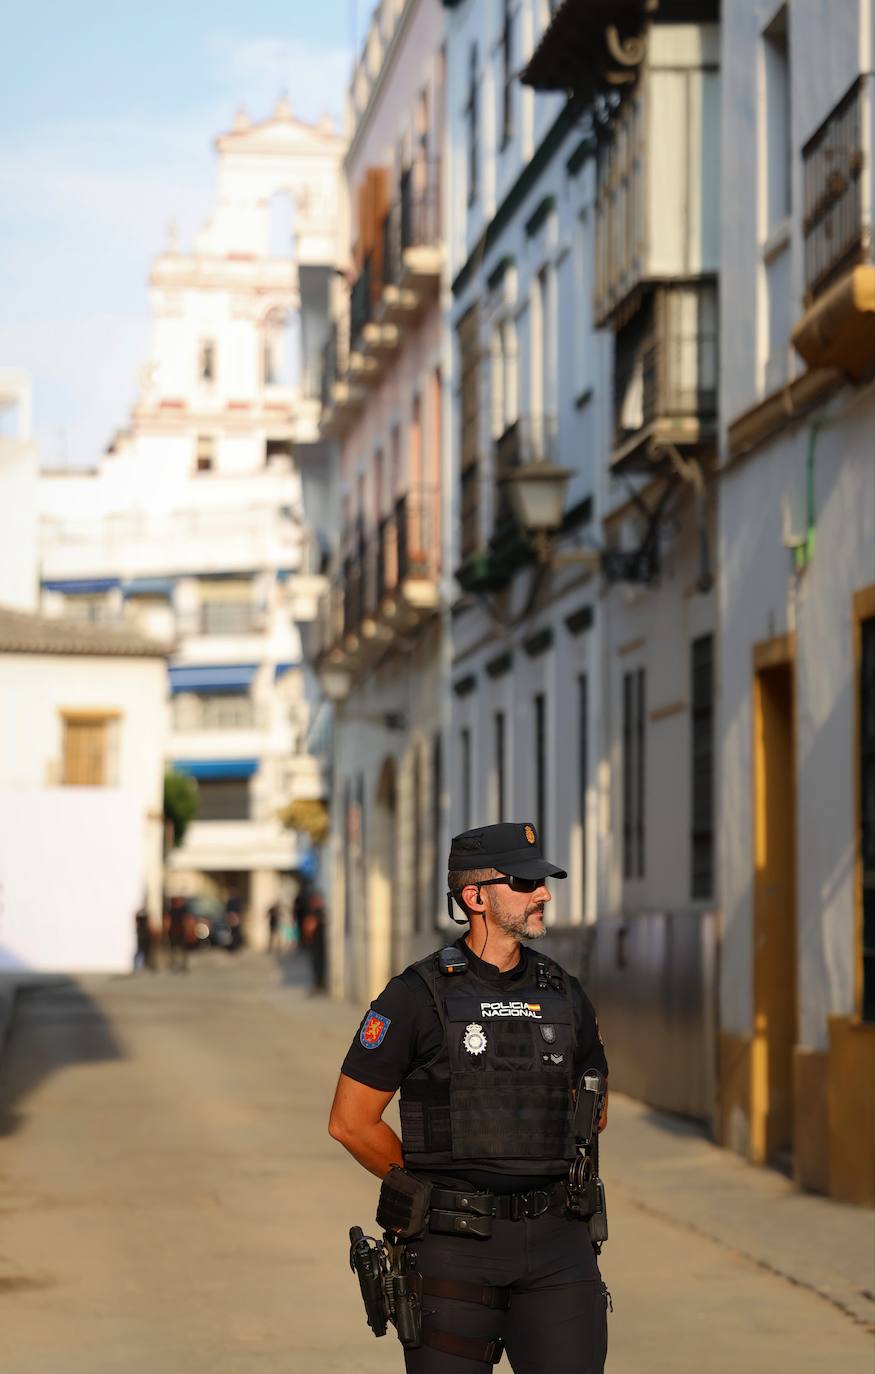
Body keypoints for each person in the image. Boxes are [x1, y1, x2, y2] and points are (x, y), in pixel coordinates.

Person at [329, 822, 609, 1373]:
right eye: (526, 883)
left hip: (557, 1246)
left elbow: (591, 1109)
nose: (544, 894)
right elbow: (351, 1121)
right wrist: (430, 1189)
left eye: (543, 882)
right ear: (475, 897)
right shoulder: (414, 996)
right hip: (454, 1251)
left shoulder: (565, 993)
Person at [167, 895, 189, 973]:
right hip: (174, 931)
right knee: (175, 949)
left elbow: (185, 920)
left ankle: (182, 965)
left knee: (181, 949)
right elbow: (168, 920)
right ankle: (175, 965)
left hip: (179, 930)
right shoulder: (172, 910)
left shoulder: (181, 909)